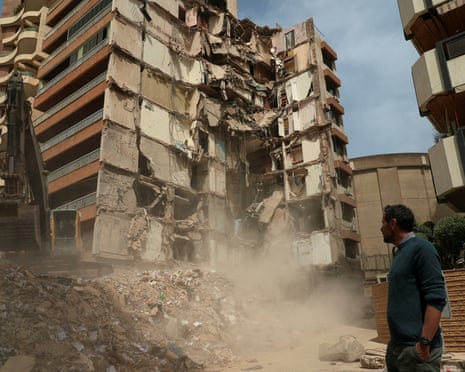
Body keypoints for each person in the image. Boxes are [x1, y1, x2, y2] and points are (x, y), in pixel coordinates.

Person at [381, 204, 447, 372]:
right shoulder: (401, 252)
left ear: (393, 223)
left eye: (383, 222)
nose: (381, 228)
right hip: (398, 347)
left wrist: (424, 342)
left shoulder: (422, 249)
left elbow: (436, 299)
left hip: (418, 352)